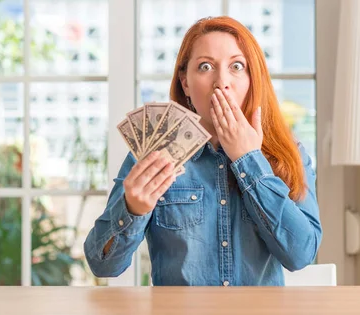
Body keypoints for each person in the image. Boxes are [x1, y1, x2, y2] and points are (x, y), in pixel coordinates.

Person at [83, 16, 322, 286]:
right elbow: (101, 265)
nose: (221, 82)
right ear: (185, 83)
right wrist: (132, 209)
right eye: (205, 66)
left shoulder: (290, 155)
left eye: (236, 66)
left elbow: (301, 255)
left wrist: (250, 162)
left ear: (252, 79)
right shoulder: (153, 155)